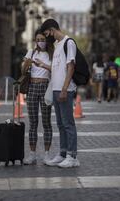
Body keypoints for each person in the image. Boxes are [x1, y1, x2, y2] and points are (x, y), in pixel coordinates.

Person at [40, 18, 79, 168]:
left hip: (65, 90)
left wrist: (64, 88)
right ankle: (63, 153)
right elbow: (56, 68)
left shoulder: (69, 43)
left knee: (68, 123)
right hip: (55, 89)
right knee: (61, 124)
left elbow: (71, 67)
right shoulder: (57, 45)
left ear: (52, 29)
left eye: (47, 33)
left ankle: (72, 156)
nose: (47, 37)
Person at [21, 29, 54, 165]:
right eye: (38, 40)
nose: (40, 42)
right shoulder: (31, 52)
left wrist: (43, 65)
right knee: (33, 123)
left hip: (46, 87)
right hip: (32, 87)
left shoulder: (52, 54)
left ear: (47, 41)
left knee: (46, 122)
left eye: (42, 40)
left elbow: (56, 70)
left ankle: (46, 154)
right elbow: (23, 71)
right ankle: (32, 154)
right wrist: (26, 64)